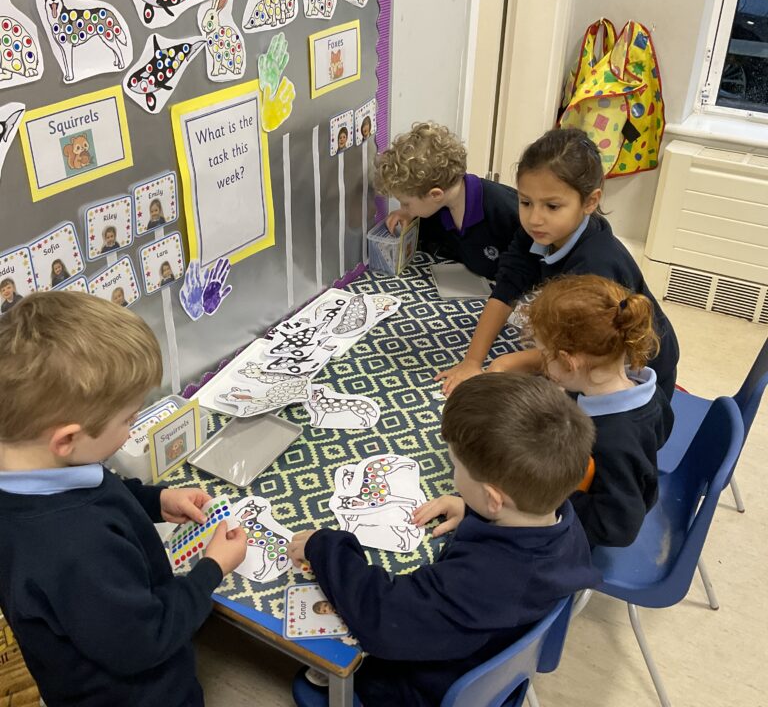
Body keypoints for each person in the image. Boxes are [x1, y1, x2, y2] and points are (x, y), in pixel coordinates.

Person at [288, 373, 600, 706]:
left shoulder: (481, 579)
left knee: (317, 673)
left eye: (455, 465)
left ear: (493, 498)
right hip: (490, 653)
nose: (453, 473)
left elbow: (381, 618)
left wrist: (326, 548)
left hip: (422, 688)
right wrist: (472, 507)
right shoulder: (563, 520)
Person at [0, 292, 247, 707]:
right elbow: (148, 640)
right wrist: (211, 570)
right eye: (128, 420)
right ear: (67, 439)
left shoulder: (26, 468)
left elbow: (95, 487)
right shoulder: (77, 548)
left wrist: (155, 500)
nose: (132, 431)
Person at [436, 128, 679, 400]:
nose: (534, 218)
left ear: (590, 202)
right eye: (526, 202)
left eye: (552, 206)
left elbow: (586, 350)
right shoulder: (538, 233)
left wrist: (506, 363)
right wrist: (472, 361)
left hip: (638, 376)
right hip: (584, 356)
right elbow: (506, 289)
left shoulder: (596, 264)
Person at [523, 274, 674, 548]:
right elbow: (663, 430)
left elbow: (619, 527)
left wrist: (553, 501)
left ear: (569, 362)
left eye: (545, 355)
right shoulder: (645, 389)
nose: (543, 364)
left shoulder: (614, 440)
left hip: (586, 526)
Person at [377, 122, 520, 280]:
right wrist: (410, 215)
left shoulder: (506, 210)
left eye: (406, 203)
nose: (403, 207)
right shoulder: (439, 207)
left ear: (435, 195)